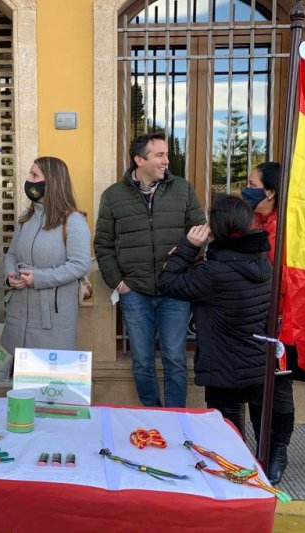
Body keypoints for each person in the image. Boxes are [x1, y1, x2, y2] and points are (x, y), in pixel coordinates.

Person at [94, 132, 206, 407]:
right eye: (160, 155)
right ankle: (152, 415)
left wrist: (187, 255)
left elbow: (200, 232)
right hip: (135, 292)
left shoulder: (183, 189)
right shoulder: (113, 196)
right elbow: (103, 244)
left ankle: (176, 417)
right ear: (139, 160)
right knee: (142, 361)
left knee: (175, 360)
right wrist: (118, 283)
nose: (167, 160)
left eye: (166, 154)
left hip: (175, 291)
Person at [158, 195, 271, 441]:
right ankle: (258, 468)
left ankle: (234, 472)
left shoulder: (214, 272)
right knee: (252, 420)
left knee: (227, 430)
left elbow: (167, 283)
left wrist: (187, 248)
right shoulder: (262, 261)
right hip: (256, 358)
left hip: (223, 361)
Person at [0, 157, 90, 356]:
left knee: (49, 380)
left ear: (52, 181)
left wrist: (39, 278)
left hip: (53, 320)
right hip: (18, 315)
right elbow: (12, 254)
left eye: (34, 175)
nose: (29, 180)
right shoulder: (26, 218)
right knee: (19, 379)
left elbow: (80, 265)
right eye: (30, 174)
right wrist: (10, 275)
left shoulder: (73, 220)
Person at [242, 161, 295, 485]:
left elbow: (289, 279)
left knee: (280, 390)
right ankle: (260, 449)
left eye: (251, 183)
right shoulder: (249, 222)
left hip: (281, 320)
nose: (245, 188)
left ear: (270, 191)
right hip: (253, 317)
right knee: (255, 387)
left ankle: (278, 452)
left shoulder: (288, 228)